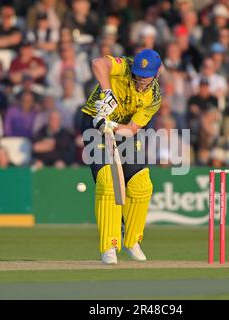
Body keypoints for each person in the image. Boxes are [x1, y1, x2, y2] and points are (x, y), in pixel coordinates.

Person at [81, 49, 162, 264]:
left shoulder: (154, 98)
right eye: (138, 73)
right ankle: (109, 247)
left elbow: (132, 129)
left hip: (120, 129)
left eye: (145, 75)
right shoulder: (124, 66)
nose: (140, 79)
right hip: (93, 123)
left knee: (141, 184)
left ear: (155, 74)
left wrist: (112, 125)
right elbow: (97, 62)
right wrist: (107, 93)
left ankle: (132, 239)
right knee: (108, 182)